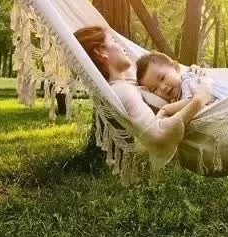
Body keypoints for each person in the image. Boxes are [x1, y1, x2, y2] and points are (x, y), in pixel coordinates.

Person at [73, 25, 213, 168]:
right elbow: (157, 135)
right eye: (114, 41)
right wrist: (199, 100)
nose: (122, 47)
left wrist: (191, 75)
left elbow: (172, 76)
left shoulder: (128, 84)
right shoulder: (124, 90)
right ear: (101, 51)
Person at [135, 51, 228, 118]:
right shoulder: (175, 97)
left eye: (162, 78)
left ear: (176, 68)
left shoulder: (188, 79)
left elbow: (195, 101)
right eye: (154, 89)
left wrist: (167, 110)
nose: (162, 87)